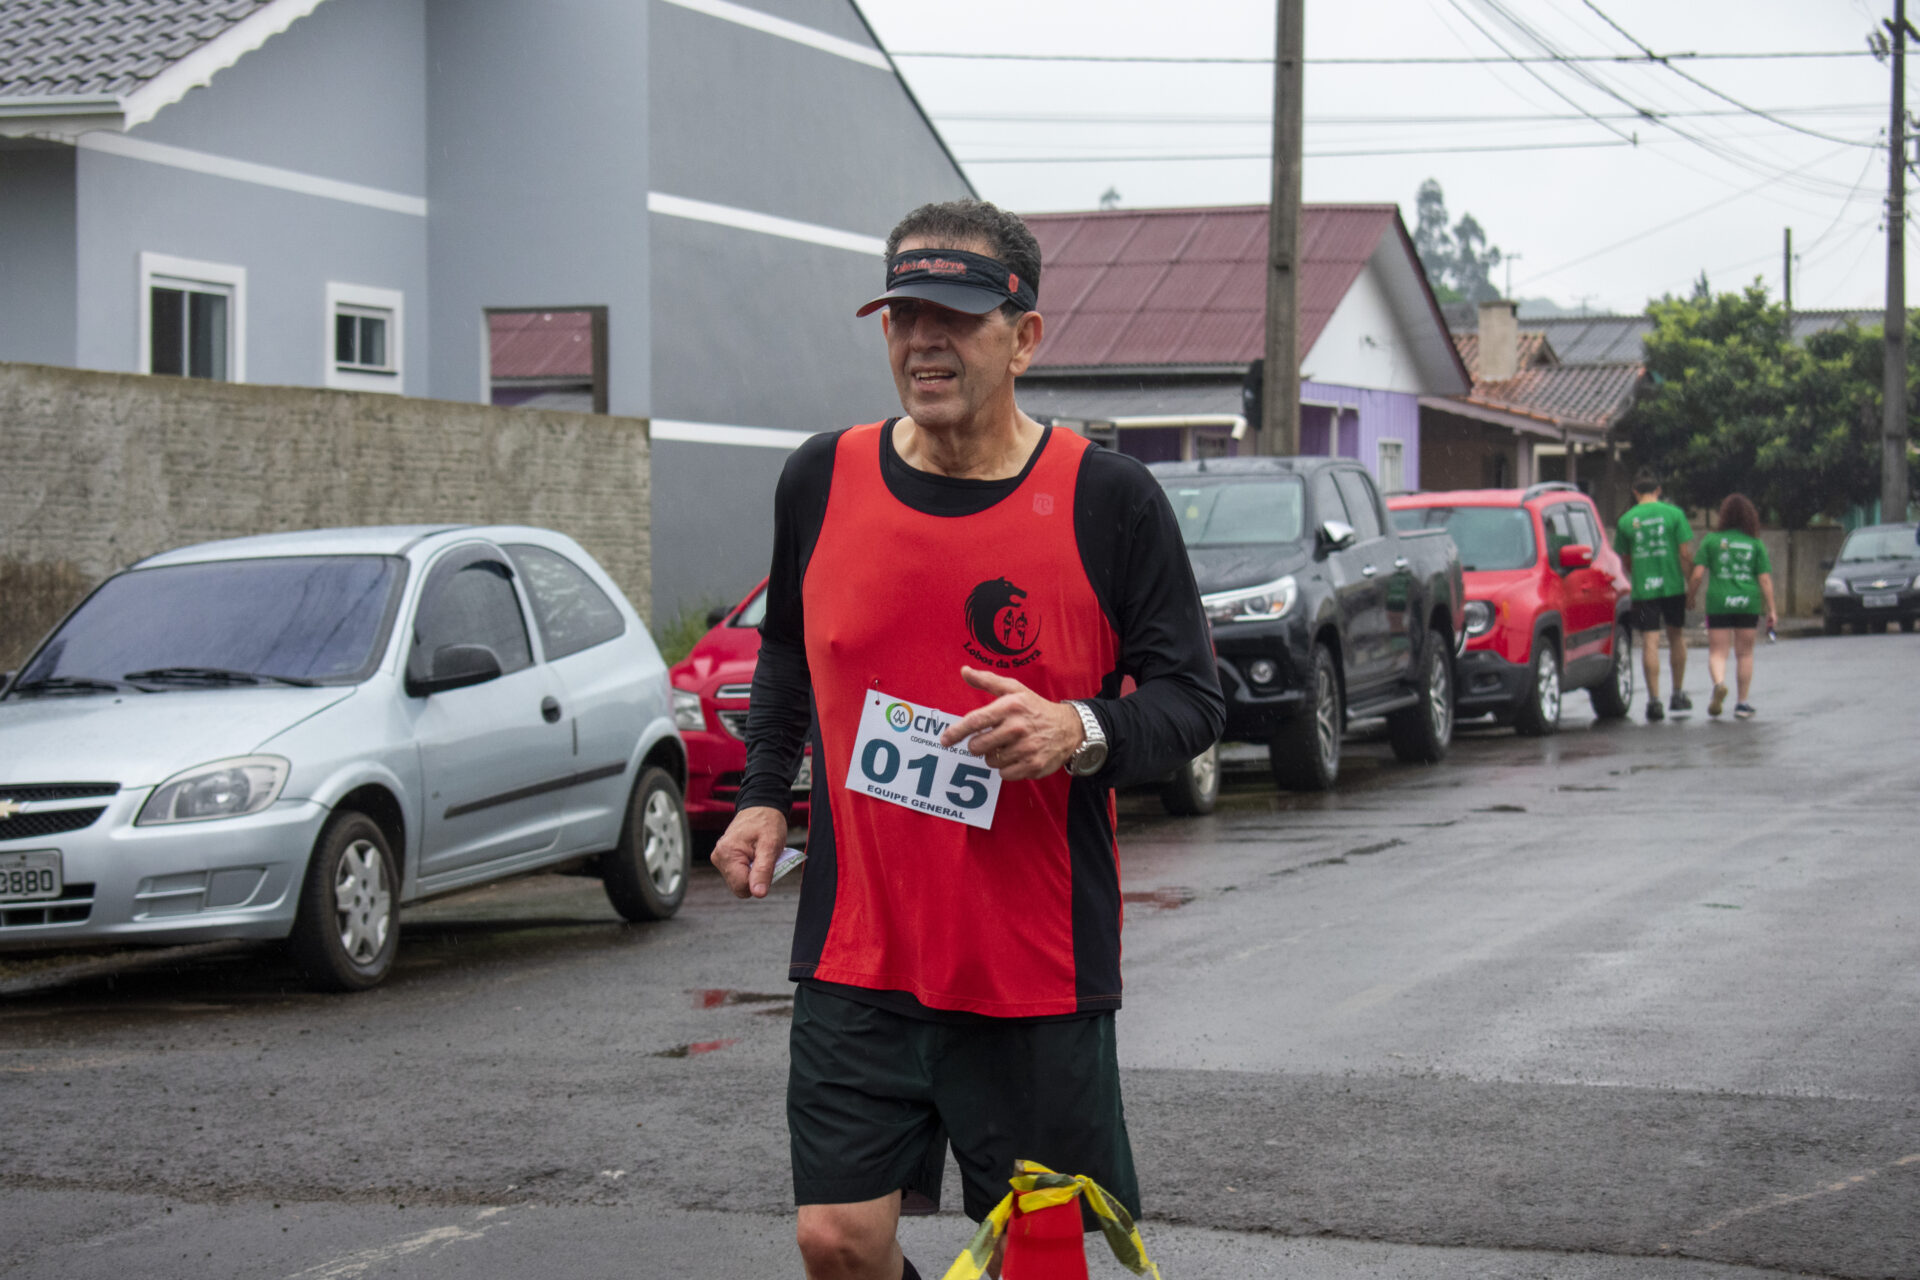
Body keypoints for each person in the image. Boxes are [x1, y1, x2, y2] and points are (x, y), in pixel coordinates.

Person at [710, 198, 1225, 1280]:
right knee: (835, 1238)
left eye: (952, 315)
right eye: (901, 314)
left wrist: (1077, 726)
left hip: (1030, 964)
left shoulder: (1106, 499)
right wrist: (763, 789)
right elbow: (791, 654)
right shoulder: (822, 476)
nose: (921, 340)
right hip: (861, 948)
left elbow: (1192, 698)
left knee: (1038, 1259)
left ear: (1025, 335)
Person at [1616, 467, 1695, 721]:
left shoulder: (1626, 520)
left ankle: (1654, 701)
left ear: (1635, 492)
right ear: (1658, 491)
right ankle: (1678, 693)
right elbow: (1685, 554)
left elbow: (1625, 561)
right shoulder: (1674, 515)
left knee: (1650, 641)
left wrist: (1640, 572)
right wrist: (1690, 585)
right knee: (1676, 636)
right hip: (1672, 587)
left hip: (1644, 589)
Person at [1688, 493, 1777, 719]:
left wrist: (1691, 596)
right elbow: (1764, 580)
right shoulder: (1755, 543)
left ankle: (1719, 684)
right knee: (1745, 654)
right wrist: (1772, 609)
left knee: (1718, 652)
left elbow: (1697, 575)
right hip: (1748, 603)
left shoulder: (1711, 540)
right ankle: (1742, 703)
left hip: (1718, 602)